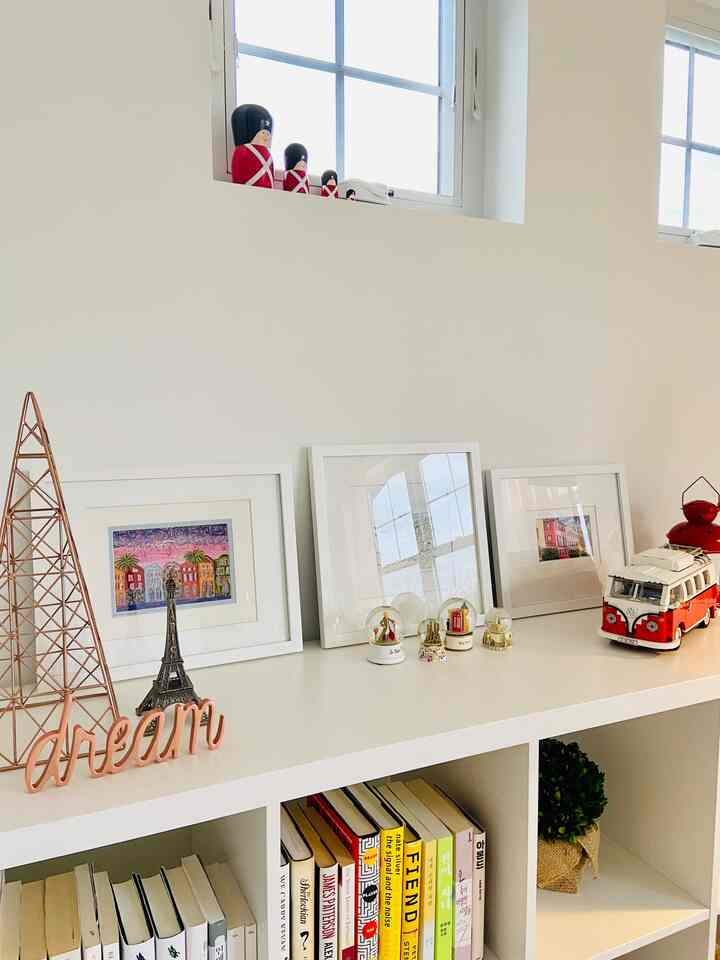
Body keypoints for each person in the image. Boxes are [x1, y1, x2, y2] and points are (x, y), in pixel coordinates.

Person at [230, 104, 274, 188]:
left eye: (268, 133)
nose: (266, 136)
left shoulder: (268, 154)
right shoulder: (242, 151)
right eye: (263, 133)